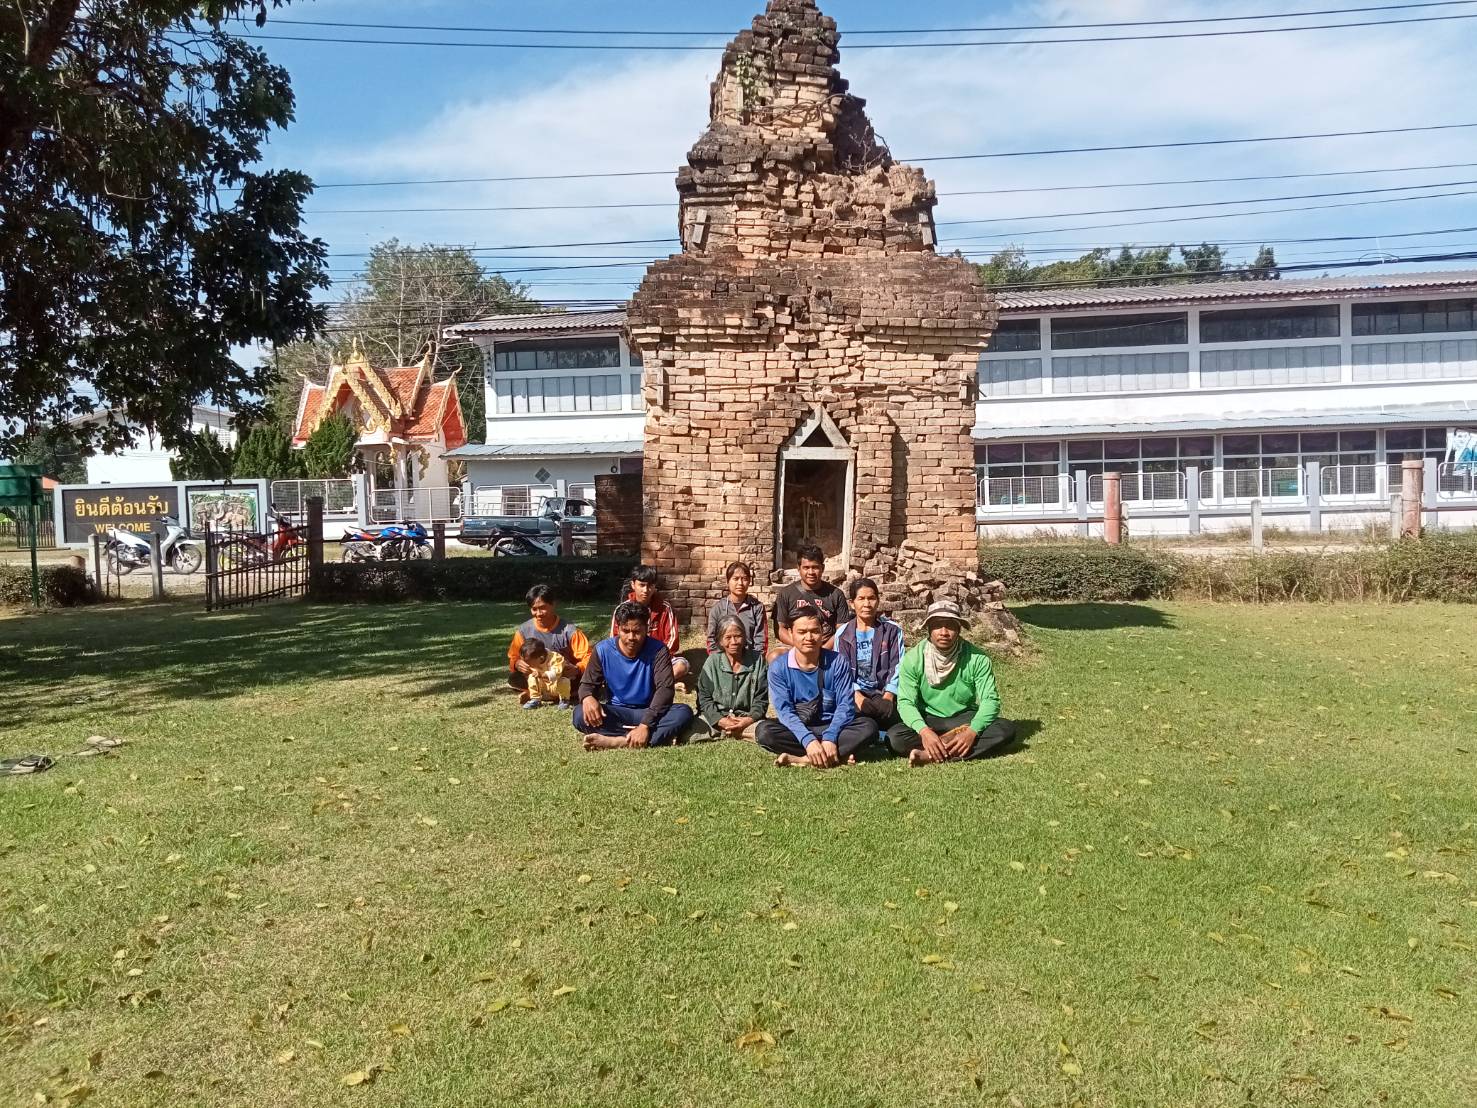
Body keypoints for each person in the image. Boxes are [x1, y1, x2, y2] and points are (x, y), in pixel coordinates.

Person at [888, 600, 1017, 768]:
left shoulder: (978, 659)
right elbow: (905, 703)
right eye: (937, 626)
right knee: (894, 738)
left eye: (950, 626)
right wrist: (924, 731)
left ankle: (929, 755)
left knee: (1005, 729)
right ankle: (948, 747)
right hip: (929, 719)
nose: (943, 632)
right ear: (928, 629)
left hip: (964, 720)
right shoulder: (913, 659)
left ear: (959, 629)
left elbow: (990, 701)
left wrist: (972, 732)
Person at [757, 609, 879, 769]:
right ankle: (830, 755)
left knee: (869, 728)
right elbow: (784, 711)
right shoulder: (779, 667)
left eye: (815, 631)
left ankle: (803, 759)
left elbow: (845, 706)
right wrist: (808, 740)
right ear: (790, 633)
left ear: (823, 632)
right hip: (800, 728)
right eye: (802, 632)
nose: (809, 638)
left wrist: (830, 737)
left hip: (834, 726)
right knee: (764, 732)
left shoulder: (837, 662)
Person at [577, 601, 695, 751]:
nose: (631, 637)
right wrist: (587, 697)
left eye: (637, 631)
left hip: (649, 710)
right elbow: (587, 684)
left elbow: (665, 690)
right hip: (617, 711)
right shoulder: (602, 650)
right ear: (618, 629)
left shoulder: (659, 651)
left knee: (683, 713)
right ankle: (651, 737)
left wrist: (645, 725)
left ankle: (617, 741)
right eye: (625, 631)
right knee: (579, 714)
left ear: (647, 628)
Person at [833, 577, 905, 731]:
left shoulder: (891, 630)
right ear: (852, 603)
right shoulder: (843, 634)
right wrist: (857, 697)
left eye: (871, 598)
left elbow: (898, 664)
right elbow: (841, 672)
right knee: (856, 719)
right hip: (855, 694)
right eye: (861, 599)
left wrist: (889, 696)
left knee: (895, 718)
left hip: (882, 692)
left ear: (878, 601)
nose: (867, 604)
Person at [771, 543, 851, 660]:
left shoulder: (836, 594)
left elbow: (841, 630)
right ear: (798, 569)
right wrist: (801, 646)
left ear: (822, 568)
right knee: (774, 656)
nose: (811, 572)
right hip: (795, 645)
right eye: (806, 567)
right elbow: (780, 629)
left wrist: (821, 649)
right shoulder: (786, 594)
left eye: (815, 567)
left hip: (827, 647)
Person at [612, 564, 690, 681]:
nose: (646, 590)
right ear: (633, 585)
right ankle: (661, 681)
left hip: (658, 658)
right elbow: (615, 639)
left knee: (682, 666)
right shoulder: (622, 609)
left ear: (654, 587)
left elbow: (672, 640)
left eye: (650, 586)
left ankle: (652, 682)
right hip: (630, 657)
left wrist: (656, 657)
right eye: (641, 585)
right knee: (609, 665)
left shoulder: (665, 608)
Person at [697, 615, 768, 741]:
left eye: (738, 636)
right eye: (728, 637)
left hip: (746, 719)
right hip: (717, 718)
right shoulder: (712, 662)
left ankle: (733, 732)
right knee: (690, 732)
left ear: (745, 637)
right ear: (720, 641)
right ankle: (737, 733)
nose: (734, 642)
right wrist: (720, 720)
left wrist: (748, 720)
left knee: (766, 732)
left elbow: (761, 699)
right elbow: (704, 698)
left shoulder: (758, 661)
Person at [507, 584, 591, 691]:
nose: (538, 613)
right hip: (537, 676)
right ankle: (543, 693)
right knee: (514, 679)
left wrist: (578, 668)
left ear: (553, 604)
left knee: (583, 681)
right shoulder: (523, 631)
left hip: (563, 677)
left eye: (542, 608)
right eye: (534, 609)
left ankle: (539, 694)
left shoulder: (569, 631)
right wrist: (517, 664)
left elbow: (588, 656)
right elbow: (514, 656)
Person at [705, 561, 768, 656]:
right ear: (727, 581)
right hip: (723, 659)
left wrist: (756, 661)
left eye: (744, 579)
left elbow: (761, 639)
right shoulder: (718, 609)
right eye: (736, 579)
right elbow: (711, 639)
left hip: (750, 659)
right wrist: (719, 661)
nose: (740, 583)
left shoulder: (757, 608)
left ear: (749, 582)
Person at [517, 640, 571, 710]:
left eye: (529, 663)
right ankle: (535, 699)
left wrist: (542, 674)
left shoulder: (556, 658)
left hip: (555, 687)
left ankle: (564, 699)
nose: (527, 665)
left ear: (541, 658)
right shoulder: (533, 659)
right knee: (531, 677)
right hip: (543, 688)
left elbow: (556, 674)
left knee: (564, 681)